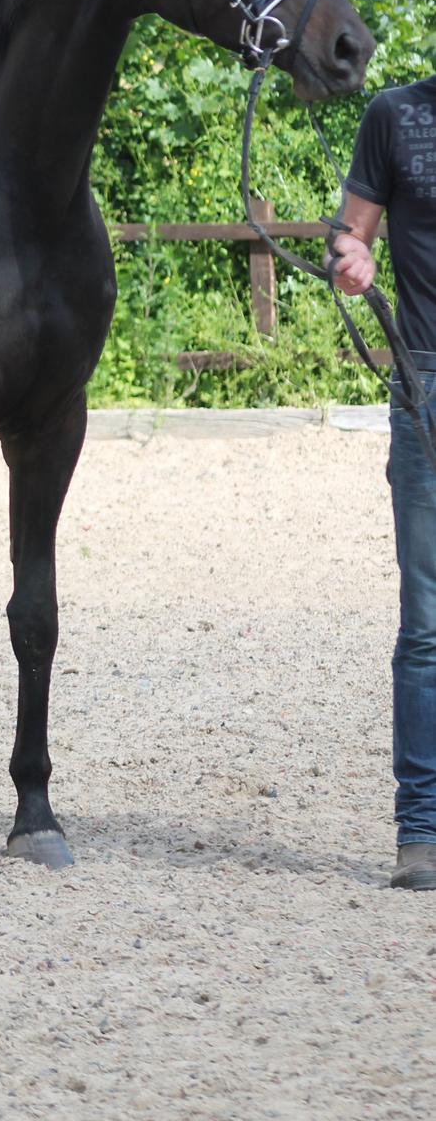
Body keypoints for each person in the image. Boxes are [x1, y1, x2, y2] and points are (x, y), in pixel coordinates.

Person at [331, 76, 436, 891]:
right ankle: (421, 832)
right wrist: (353, 259)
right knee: (426, 624)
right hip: (423, 381)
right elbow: (346, 240)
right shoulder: (394, 115)